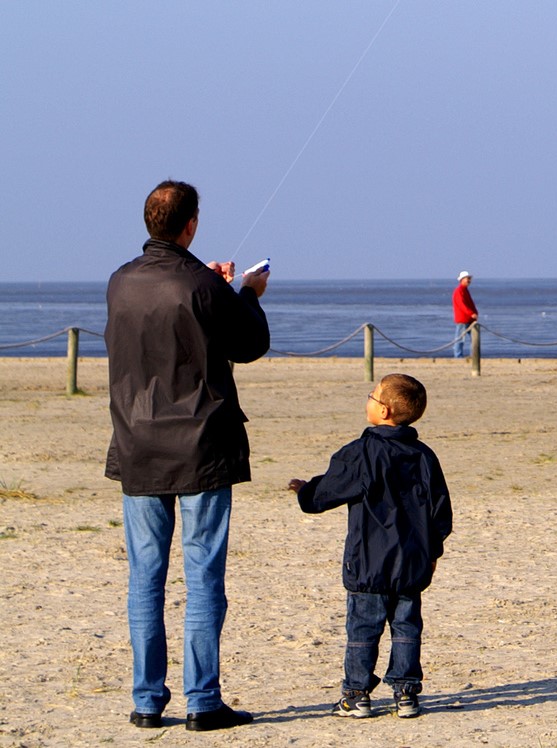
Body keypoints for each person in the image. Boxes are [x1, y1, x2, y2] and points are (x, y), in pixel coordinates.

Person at [105, 180, 271, 732]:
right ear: (190, 224)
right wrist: (246, 292)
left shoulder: (122, 282)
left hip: (140, 442)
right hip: (198, 444)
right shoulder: (198, 283)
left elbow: (180, 317)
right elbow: (249, 344)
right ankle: (201, 700)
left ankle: (149, 700)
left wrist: (219, 287)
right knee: (200, 574)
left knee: (145, 577)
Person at [287, 373, 452, 719]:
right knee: (406, 627)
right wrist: (432, 552)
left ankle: (356, 694)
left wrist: (305, 490)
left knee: (363, 629)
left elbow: (327, 492)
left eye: (373, 396)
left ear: (386, 410)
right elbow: (441, 513)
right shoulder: (423, 456)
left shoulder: (363, 452)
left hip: (369, 563)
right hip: (410, 561)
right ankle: (405, 694)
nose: (369, 400)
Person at [451, 270, 478, 358]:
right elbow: (462, 305)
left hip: (469, 319)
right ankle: (458, 356)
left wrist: (475, 313)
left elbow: (470, 303)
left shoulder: (465, 290)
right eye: (467, 278)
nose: (469, 280)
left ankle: (474, 355)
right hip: (463, 319)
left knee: (474, 338)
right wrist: (471, 313)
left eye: (469, 279)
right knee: (460, 339)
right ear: (462, 279)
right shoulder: (459, 291)